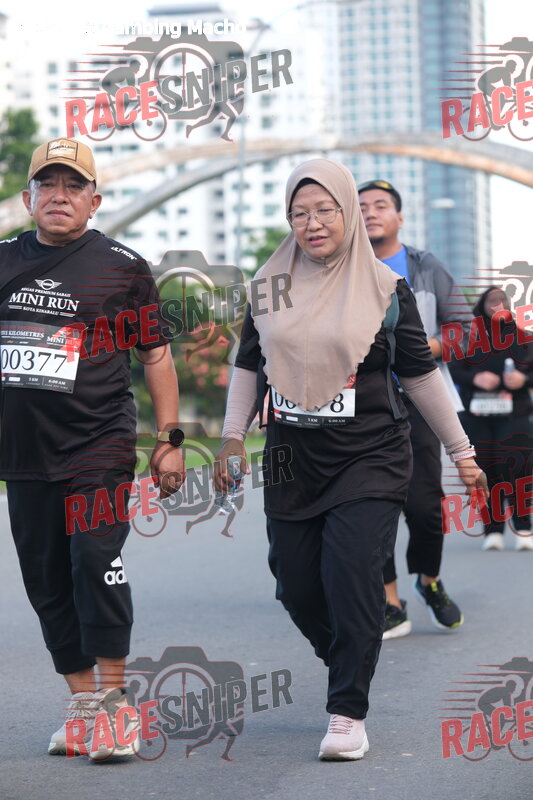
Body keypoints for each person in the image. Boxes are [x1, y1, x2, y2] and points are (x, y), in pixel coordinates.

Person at [215, 159, 486, 761]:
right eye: (299, 213)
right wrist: (232, 436)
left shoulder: (386, 288)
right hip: (290, 457)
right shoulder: (268, 285)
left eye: (325, 210)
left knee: (352, 575)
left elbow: (420, 377)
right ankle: (348, 657)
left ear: (347, 214)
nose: (311, 223)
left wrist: (463, 453)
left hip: (370, 454)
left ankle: (347, 710)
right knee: (295, 586)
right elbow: (248, 366)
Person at [0, 138, 185, 760]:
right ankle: (82, 705)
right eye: (47, 185)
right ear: (28, 198)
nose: (60, 196)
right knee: (46, 578)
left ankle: (115, 705)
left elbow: (156, 356)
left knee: (94, 560)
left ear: (95, 200)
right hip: (23, 453)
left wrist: (169, 440)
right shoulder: (3, 260)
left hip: (99, 445)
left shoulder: (123, 267)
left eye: (73, 185)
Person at [358, 179, 471, 639]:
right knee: (373, 505)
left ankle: (429, 580)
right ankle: (389, 601)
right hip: (362, 407)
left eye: (380, 205)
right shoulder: (342, 267)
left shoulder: (426, 267)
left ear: (399, 217)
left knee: (424, 506)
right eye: (361, 206)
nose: (370, 213)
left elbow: (465, 329)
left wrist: (424, 349)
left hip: (421, 400)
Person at [449, 286, 533, 550]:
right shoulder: (467, 338)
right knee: (485, 471)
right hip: (477, 416)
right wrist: (475, 377)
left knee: (518, 469)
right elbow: (452, 369)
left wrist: (523, 380)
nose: (497, 305)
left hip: (515, 414)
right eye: (491, 301)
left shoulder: (524, 338)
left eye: (501, 300)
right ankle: (492, 530)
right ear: (482, 305)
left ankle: (523, 528)